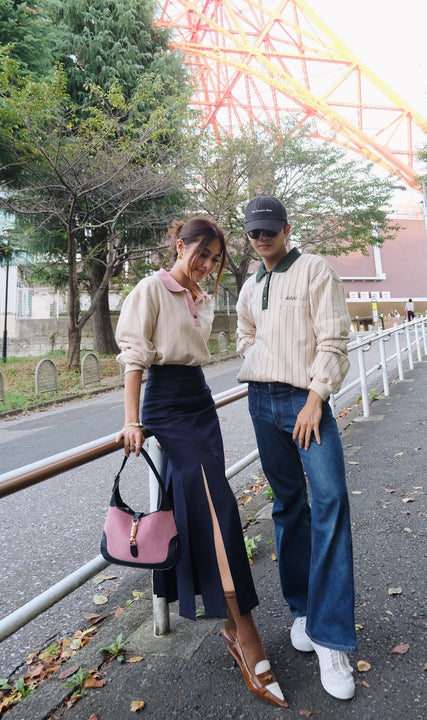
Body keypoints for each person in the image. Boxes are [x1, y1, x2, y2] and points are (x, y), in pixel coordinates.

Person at [115, 216, 287, 708]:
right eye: (202, 254)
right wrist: (132, 420)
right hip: (166, 406)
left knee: (206, 508)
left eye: (215, 259)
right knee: (218, 511)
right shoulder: (151, 288)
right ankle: (247, 633)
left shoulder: (202, 298)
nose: (208, 265)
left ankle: (232, 626)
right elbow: (134, 358)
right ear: (179, 245)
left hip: (200, 402)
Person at [236, 195, 357, 701]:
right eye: (253, 232)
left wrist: (315, 398)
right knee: (287, 506)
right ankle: (303, 610)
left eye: (269, 230)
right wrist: (258, 356)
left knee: (330, 503)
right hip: (261, 404)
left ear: (286, 229)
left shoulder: (314, 270)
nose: (261, 238)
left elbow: (334, 340)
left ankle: (332, 639)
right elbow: (245, 335)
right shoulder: (250, 284)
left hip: (305, 403)